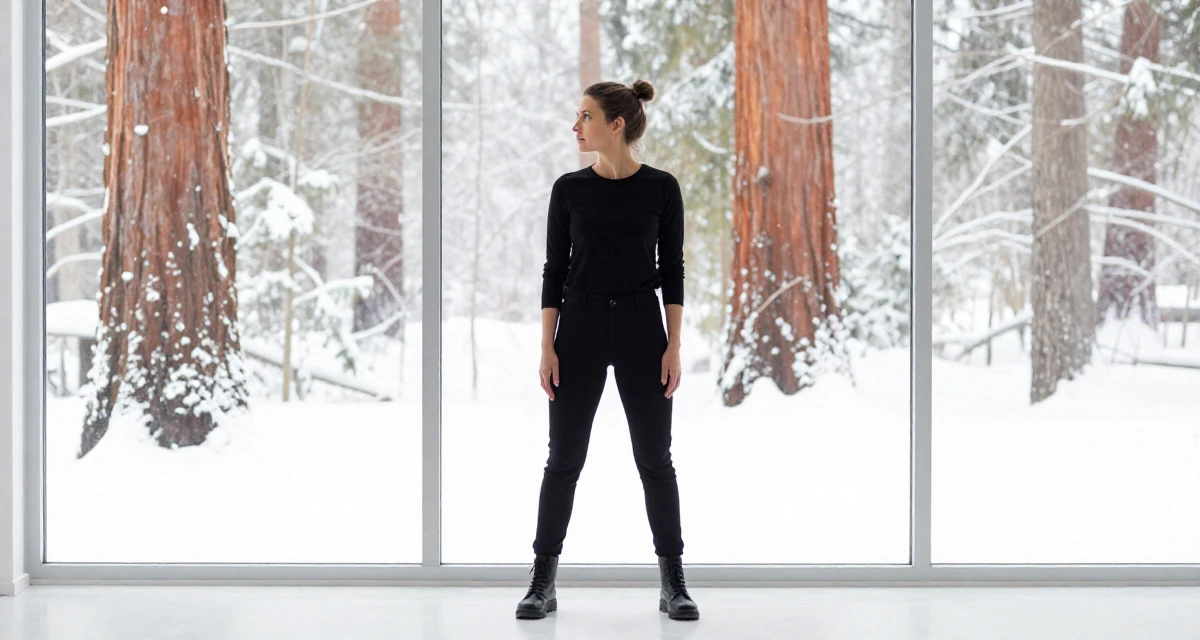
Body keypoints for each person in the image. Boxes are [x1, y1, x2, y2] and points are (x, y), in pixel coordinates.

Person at [515, 79, 698, 622]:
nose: (576, 127)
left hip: (644, 329)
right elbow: (553, 271)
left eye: (585, 117)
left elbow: (674, 272)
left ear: (616, 124)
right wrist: (547, 346)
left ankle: (674, 583)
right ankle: (541, 581)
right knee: (563, 459)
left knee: (655, 460)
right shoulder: (568, 189)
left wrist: (675, 346)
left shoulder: (662, 189)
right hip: (581, 328)